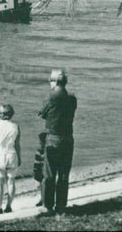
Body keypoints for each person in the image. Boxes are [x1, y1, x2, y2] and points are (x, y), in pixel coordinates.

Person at [37, 69, 77, 216]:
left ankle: (48, 205)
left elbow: (42, 114)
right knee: (64, 174)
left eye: (50, 80)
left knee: (49, 174)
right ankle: (61, 206)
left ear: (55, 82)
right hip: (68, 137)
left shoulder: (50, 98)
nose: (49, 83)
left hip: (53, 138)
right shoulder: (72, 99)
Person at [0, 104, 21, 214]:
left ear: (0, 114)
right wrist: (19, 158)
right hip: (11, 155)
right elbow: (17, 145)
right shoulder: (15, 126)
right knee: (11, 182)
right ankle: (8, 206)